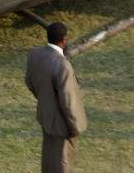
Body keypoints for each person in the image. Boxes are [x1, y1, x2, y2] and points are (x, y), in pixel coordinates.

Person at [24, 22, 87, 173]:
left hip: (46, 117)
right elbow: (68, 102)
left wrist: (45, 100)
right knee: (62, 162)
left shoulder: (35, 54)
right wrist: (75, 126)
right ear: (64, 39)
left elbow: (29, 81)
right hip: (62, 124)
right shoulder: (63, 66)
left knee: (49, 159)